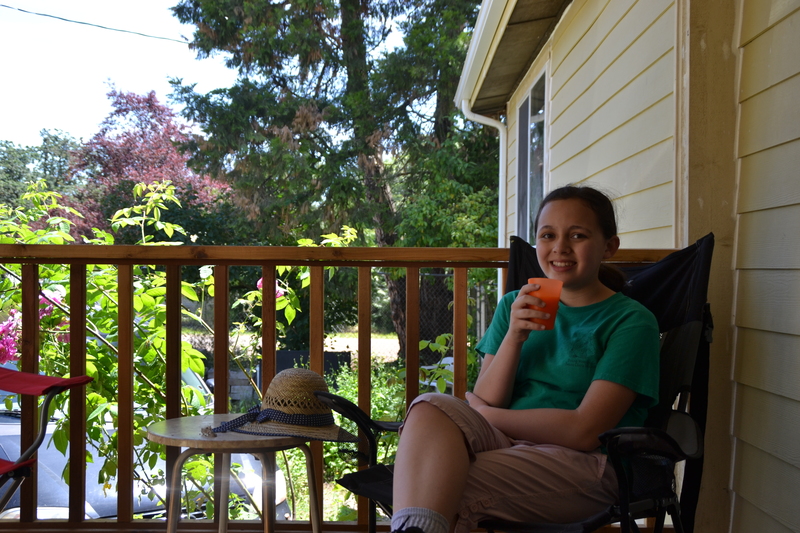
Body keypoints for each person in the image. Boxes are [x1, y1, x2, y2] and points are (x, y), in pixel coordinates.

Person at [390, 185, 660, 533]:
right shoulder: (516, 304)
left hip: (587, 463)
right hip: (507, 444)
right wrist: (515, 337)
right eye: (548, 235)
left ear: (609, 246)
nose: (560, 247)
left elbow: (585, 431)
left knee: (440, 483)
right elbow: (486, 397)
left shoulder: (630, 321)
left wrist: (488, 415)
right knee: (428, 406)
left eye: (577, 235)